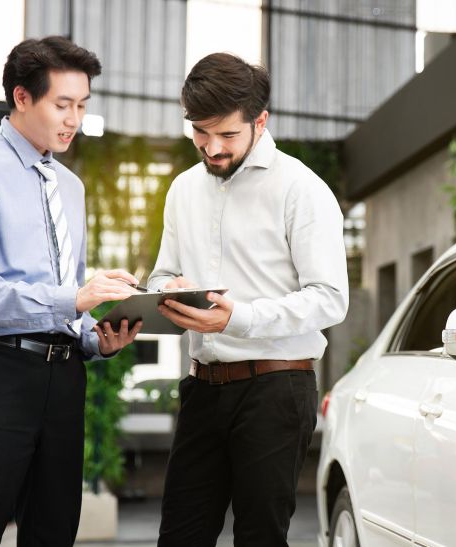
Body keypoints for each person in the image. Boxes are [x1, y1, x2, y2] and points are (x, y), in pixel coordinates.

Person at [0, 36, 142, 546]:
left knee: (53, 529)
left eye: (83, 105)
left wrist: (93, 335)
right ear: (22, 98)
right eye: (62, 104)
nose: (74, 119)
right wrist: (73, 300)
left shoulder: (70, 186)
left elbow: (71, 285)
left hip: (64, 375)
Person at [148, 52, 349, 546]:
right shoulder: (182, 190)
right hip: (202, 388)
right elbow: (163, 273)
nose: (211, 147)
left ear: (261, 121)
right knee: (179, 535)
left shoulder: (302, 189)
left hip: (275, 389)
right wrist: (164, 291)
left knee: (260, 537)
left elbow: (329, 299)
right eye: (199, 131)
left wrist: (239, 319)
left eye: (227, 135)